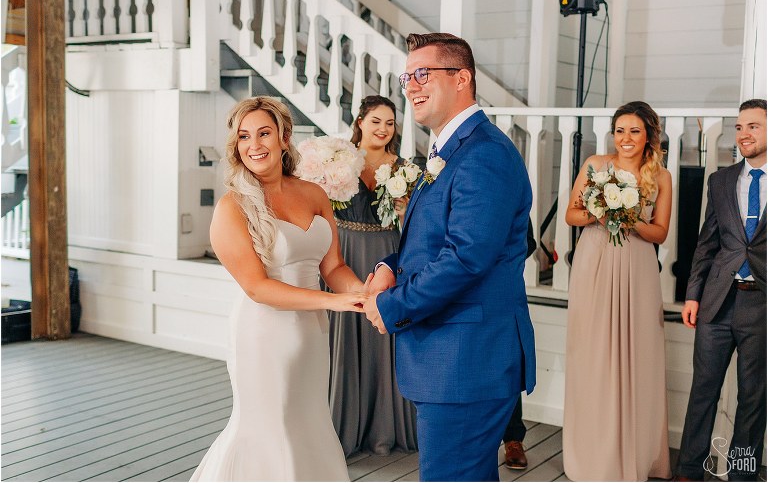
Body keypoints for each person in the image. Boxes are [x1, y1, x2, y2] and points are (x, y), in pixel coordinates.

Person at [363, 32, 536, 482]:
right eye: (407, 76)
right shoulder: (447, 150)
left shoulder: (484, 155)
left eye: (424, 73)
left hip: (467, 360)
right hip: (451, 357)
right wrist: (387, 267)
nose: (411, 86)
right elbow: (428, 240)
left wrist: (392, 306)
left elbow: (465, 259)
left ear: (462, 79)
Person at [190, 97, 367, 482]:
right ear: (236, 147)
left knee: (309, 423)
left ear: (284, 138)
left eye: (264, 133)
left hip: (313, 332)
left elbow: (333, 266)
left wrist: (363, 293)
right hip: (262, 333)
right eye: (244, 137)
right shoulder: (231, 207)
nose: (254, 144)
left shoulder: (314, 194)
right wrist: (335, 301)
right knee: (270, 428)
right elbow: (257, 288)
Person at [562, 101, 673, 481]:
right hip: (594, 262)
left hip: (638, 265)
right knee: (592, 353)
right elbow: (571, 215)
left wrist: (630, 220)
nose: (625, 139)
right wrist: (602, 212)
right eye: (620, 131)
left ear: (648, 136)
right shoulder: (595, 164)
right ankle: (593, 454)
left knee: (638, 352)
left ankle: (636, 453)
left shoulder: (661, 176)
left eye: (634, 131)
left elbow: (660, 232)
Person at [675, 98, 766, 482]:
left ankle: (743, 475)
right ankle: (689, 471)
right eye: (740, 127)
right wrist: (692, 293)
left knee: (752, 400)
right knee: (703, 392)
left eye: (754, 126)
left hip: (761, 306)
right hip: (716, 301)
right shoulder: (722, 180)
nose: (743, 134)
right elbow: (706, 242)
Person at [328, 94, 418, 456]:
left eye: (390, 123)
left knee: (384, 337)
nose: (383, 129)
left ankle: (386, 425)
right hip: (345, 252)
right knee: (346, 334)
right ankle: (343, 422)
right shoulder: (338, 159)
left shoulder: (405, 168)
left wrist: (405, 208)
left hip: (385, 253)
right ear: (360, 121)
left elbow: (417, 222)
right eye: (376, 120)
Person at [502, 219, 537, 471]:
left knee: (508, 357)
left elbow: (528, 241)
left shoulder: (509, 180)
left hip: (501, 281)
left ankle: (514, 439)